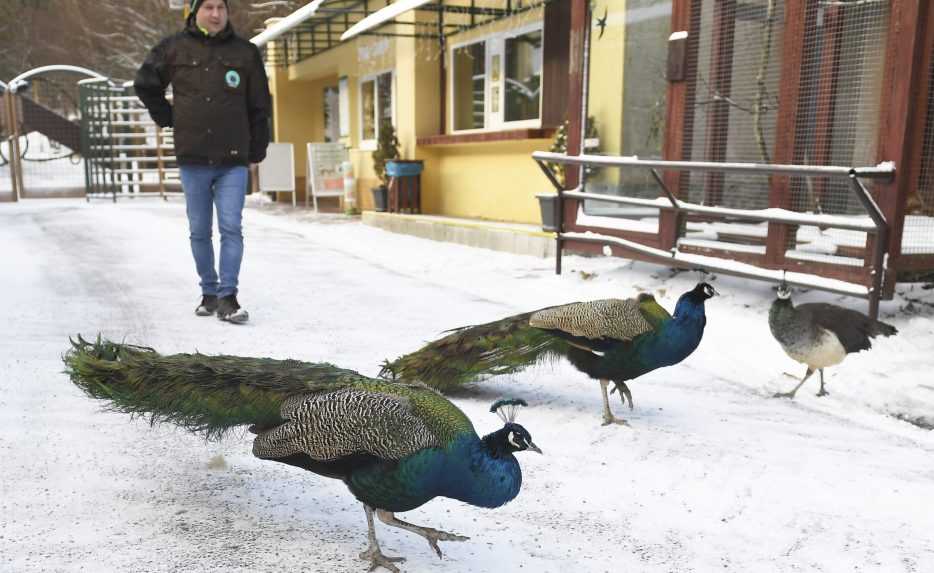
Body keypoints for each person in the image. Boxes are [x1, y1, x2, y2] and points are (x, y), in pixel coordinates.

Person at [134, 0, 270, 324]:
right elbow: (145, 84)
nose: (215, 13)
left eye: (221, 7)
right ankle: (209, 292)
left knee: (231, 227)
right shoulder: (174, 48)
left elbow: (260, 105)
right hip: (193, 156)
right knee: (198, 230)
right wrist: (167, 117)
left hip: (232, 159)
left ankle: (228, 296)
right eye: (208, 7)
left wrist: (256, 151)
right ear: (195, 12)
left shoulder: (245, 52)